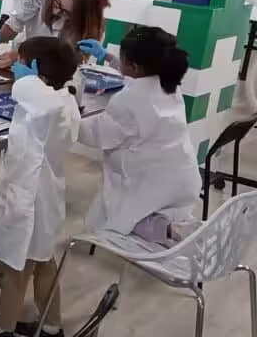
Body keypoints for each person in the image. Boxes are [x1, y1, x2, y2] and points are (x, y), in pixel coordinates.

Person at [0, 37, 81, 337]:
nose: (16, 66)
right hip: (44, 196)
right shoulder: (65, 97)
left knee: (15, 268)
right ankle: (51, 327)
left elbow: (31, 95)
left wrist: (27, 80)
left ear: (35, 69)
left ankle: (3, 330)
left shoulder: (44, 101)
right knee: (42, 261)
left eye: (21, 61)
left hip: (30, 199)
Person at [78, 27, 200, 244]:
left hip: (150, 183)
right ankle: (170, 228)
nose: (121, 62)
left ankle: (164, 232)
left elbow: (96, 134)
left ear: (134, 65)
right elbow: (138, 79)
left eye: (123, 59)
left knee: (114, 217)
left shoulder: (130, 100)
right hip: (182, 176)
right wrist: (107, 57)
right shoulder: (167, 82)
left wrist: (62, 110)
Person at [0, 0, 109, 68]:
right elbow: (15, 22)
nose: (56, 12)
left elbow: (67, 58)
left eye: (66, 12)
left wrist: (21, 57)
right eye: (57, 3)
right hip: (29, 47)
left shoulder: (89, 21)